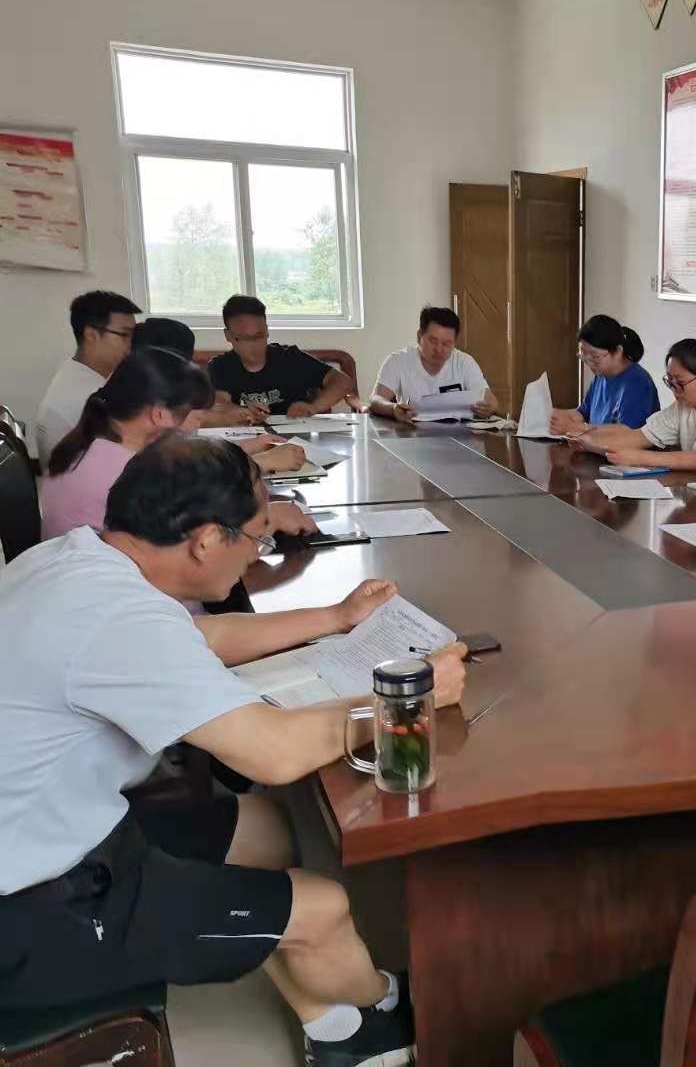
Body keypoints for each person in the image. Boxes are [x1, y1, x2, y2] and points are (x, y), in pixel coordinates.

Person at [0, 433, 468, 1066]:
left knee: (263, 829)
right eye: (255, 538)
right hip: (29, 909)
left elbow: (198, 637)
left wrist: (335, 618)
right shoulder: (117, 617)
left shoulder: (77, 560)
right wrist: (409, 697)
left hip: (53, 831)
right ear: (204, 540)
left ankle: (332, 1021)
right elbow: (272, 753)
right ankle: (374, 1021)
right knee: (324, 909)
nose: (256, 554)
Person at [41, 350, 314, 542]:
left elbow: (183, 465)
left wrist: (244, 450)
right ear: (160, 414)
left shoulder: (95, 444)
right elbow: (201, 543)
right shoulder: (127, 474)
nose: (197, 422)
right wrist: (268, 519)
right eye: (190, 413)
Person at [569, 334, 696, 470]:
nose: (674, 389)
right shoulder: (684, 407)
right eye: (670, 382)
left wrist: (640, 457)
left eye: (680, 383)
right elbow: (640, 436)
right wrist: (589, 441)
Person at [35, 290, 140, 465]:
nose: (131, 344)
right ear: (91, 335)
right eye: (124, 335)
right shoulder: (91, 396)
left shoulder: (71, 370)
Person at [208, 295, 354, 420]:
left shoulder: (290, 358)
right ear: (228, 335)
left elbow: (342, 381)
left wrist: (313, 407)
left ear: (267, 330)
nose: (254, 345)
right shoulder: (220, 366)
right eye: (244, 339)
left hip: (295, 435)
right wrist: (242, 411)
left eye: (259, 336)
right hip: (249, 436)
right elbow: (219, 403)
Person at [370, 306, 499, 423]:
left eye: (446, 343)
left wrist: (488, 408)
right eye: (433, 341)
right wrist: (393, 409)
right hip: (412, 432)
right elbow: (375, 400)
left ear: (454, 342)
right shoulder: (398, 360)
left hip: (458, 433)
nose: (439, 349)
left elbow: (491, 401)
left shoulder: (464, 362)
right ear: (419, 336)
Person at [134, 316, 255, 427]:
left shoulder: (182, 381)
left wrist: (238, 410)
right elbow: (181, 421)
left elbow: (204, 405)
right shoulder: (139, 386)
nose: (191, 361)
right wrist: (217, 418)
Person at [549, 315, 660, 434]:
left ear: (618, 351)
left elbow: (627, 434)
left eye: (595, 356)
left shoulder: (638, 383)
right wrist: (552, 415)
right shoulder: (601, 375)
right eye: (583, 354)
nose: (589, 362)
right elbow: (583, 414)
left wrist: (576, 427)